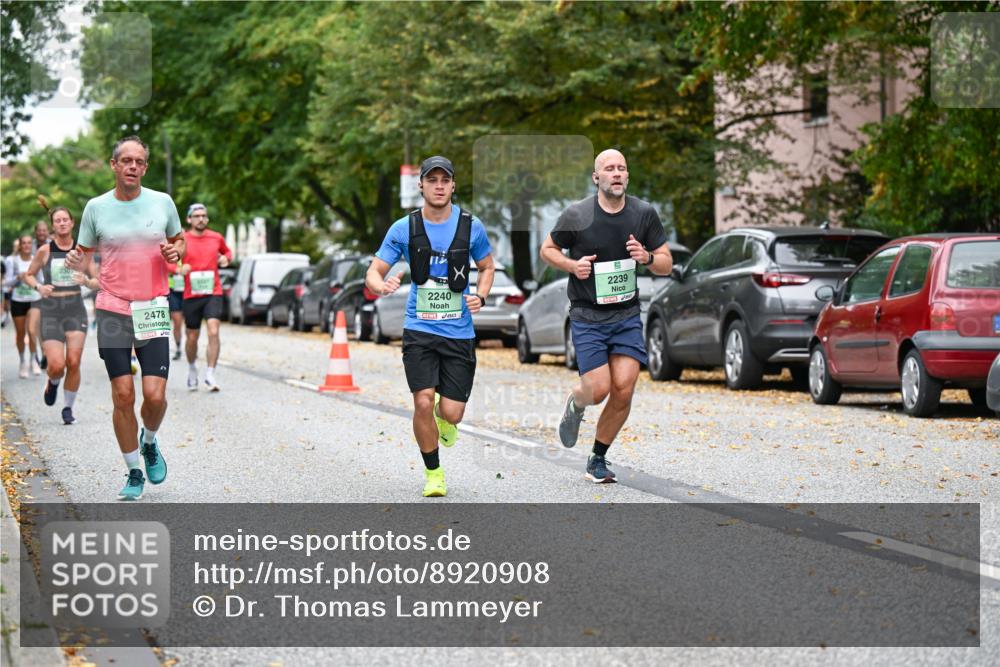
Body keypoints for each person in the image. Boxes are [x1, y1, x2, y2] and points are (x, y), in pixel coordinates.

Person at [540, 149, 673, 483]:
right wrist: (573, 266)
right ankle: (577, 401)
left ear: (627, 176)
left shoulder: (643, 214)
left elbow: (666, 263)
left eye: (622, 168)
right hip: (588, 316)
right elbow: (548, 249)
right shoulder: (577, 215)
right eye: (609, 168)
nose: (616, 173)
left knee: (624, 389)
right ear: (596, 177)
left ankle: (597, 459)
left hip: (626, 315)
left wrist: (646, 257)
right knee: (598, 389)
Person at [365, 156, 494, 497]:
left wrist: (480, 294)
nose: (438, 185)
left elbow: (487, 266)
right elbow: (374, 271)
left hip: (459, 331)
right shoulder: (403, 228)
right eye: (432, 180)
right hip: (419, 329)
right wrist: (382, 286)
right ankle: (433, 472)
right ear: (421, 185)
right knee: (422, 401)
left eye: (444, 180)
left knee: (452, 412)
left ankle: (444, 417)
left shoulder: (471, 226)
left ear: (453, 186)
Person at [65, 135, 185, 501]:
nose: (133, 167)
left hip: (152, 307)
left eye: (139, 162)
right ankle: (134, 469)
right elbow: (83, 253)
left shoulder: (162, 202)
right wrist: (75, 261)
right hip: (113, 306)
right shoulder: (95, 208)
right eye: (126, 161)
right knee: (122, 394)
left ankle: (149, 441)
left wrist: (174, 250)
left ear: (145, 168)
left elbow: (180, 241)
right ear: (114, 165)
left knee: (155, 396)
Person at [22, 200, 100, 424]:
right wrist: (38, 287)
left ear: (73, 223)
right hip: (51, 310)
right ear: (53, 226)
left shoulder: (83, 251)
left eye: (66, 219)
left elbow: (97, 281)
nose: (62, 223)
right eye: (58, 221)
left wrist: (86, 280)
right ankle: (53, 382)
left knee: (74, 362)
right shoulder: (45, 251)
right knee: (57, 366)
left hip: (75, 308)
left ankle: (68, 408)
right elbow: (29, 274)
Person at [176, 203, 231, 392]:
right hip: (191, 295)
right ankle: (192, 369)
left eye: (204, 215)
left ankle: (210, 373)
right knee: (192, 337)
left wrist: (226, 258)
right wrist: (178, 268)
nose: (201, 219)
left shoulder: (216, 237)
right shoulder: (183, 239)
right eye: (197, 216)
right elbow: (168, 259)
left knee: (214, 331)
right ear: (189, 219)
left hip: (213, 292)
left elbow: (227, 252)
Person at [9, 234, 42, 378]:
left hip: (34, 299)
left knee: (32, 331)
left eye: (29, 243)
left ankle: (33, 359)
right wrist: (17, 278)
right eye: (24, 243)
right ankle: (23, 361)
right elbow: (5, 283)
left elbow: (41, 280)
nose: (27, 245)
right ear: (20, 245)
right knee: (20, 334)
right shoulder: (13, 261)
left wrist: (36, 284)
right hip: (18, 300)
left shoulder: (37, 259)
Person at [164, 259, 185, 360]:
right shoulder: (171, 249)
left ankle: (192, 344)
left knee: (191, 323)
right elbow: (165, 264)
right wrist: (178, 269)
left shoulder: (188, 250)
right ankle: (178, 348)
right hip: (173, 291)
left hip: (188, 290)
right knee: (177, 322)